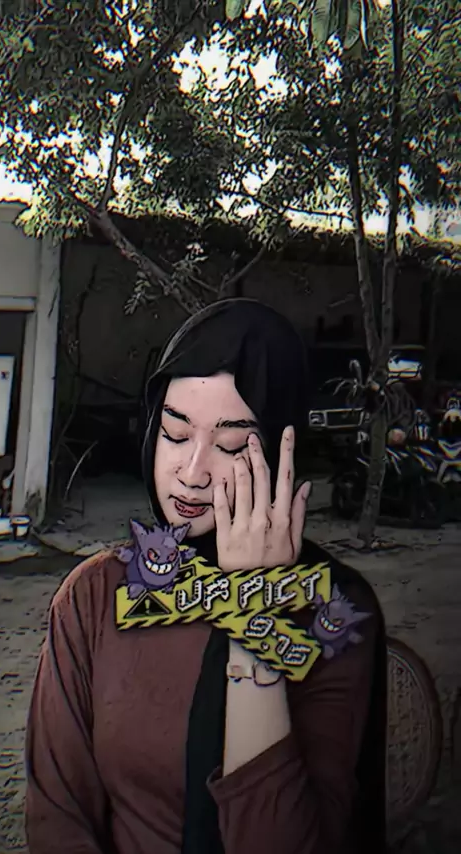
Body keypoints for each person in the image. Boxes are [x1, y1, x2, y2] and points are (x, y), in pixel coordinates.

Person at [25, 299, 387, 854]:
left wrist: (253, 609)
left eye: (231, 445)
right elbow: (58, 820)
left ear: (283, 450)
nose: (193, 474)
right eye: (175, 434)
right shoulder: (95, 596)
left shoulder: (334, 612)